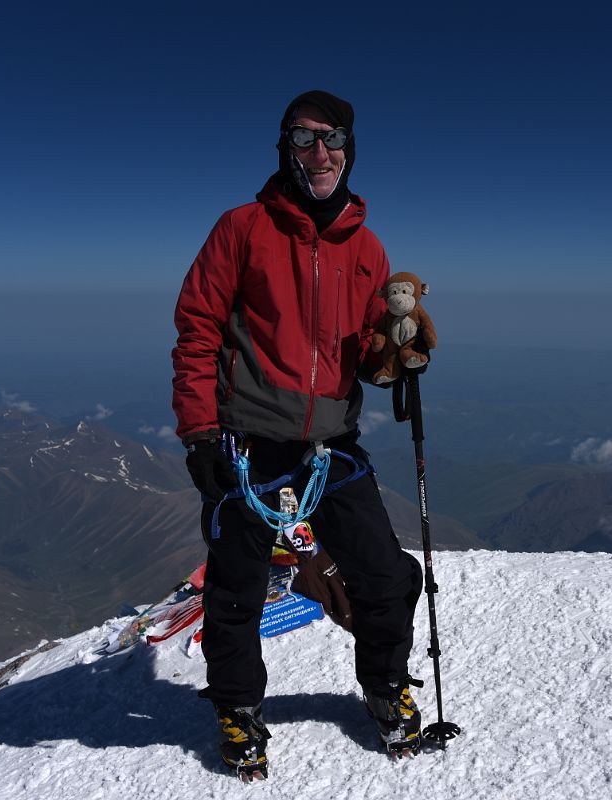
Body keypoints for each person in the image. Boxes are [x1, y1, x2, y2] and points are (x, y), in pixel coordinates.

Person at [171, 90, 425, 779]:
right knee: (235, 591)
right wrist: (199, 434)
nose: (319, 152)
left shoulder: (367, 248)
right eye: (303, 138)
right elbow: (198, 330)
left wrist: (398, 354)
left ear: (350, 149)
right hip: (245, 443)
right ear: (283, 147)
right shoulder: (243, 229)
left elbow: (367, 356)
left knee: (385, 575)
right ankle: (238, 709)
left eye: (332, 138)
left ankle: (383, 685)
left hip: (332, 446)